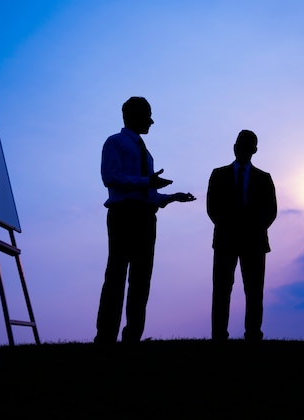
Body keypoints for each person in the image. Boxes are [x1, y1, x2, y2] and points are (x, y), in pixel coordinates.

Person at [94, 96, 196, 345]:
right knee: (117, 275)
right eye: (147, 114)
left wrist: (171, 197)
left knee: (141, 278)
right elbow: (110, 177)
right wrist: (147, 182)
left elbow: (146, 192)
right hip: (123, 215)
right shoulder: (115, 143)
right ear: (133, 116)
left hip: (145, 217)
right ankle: (106, 337)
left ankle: (132, 337)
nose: (151, 120)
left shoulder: (146, 153)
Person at [206, 130, 277, 341]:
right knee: (221, 290)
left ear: (254, 150)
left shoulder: (264, 178)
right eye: (239, 144)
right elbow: (212, 208)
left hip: (253, 241)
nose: (241, 148)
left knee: (254, 291)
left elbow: (271, 211)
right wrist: (231, 226)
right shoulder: (218, 174)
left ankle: (253, 334)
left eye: (247, 145)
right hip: (226, 240)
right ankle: (219, 335)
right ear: (234, 146)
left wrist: (252, 228)